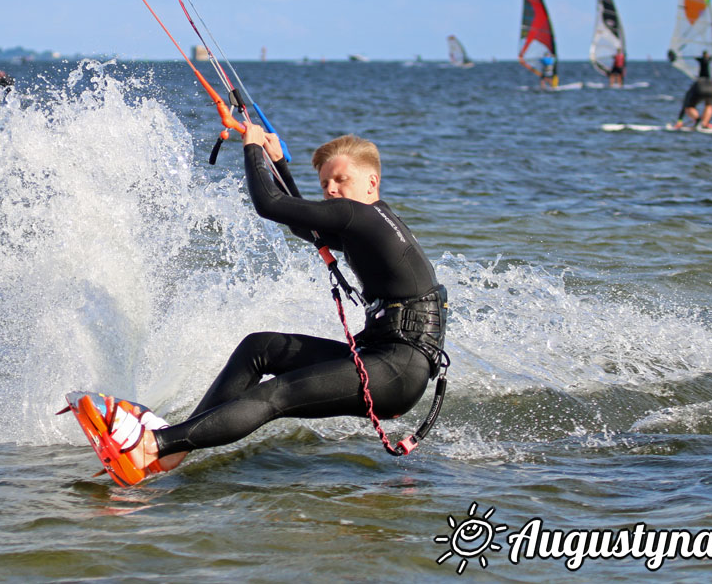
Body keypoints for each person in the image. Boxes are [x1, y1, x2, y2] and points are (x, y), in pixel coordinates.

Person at [75, 123, 448, 483]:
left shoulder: (358, 215)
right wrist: (278, 163)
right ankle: (175, 446)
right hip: (388, 361)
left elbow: (270, 204)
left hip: (396, 368)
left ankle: (153, 445)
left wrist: (252, 147)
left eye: (341, 180)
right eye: (325, 184)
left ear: (371, 182)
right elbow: (306, 226)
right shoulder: (372, 221)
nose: (331, 190)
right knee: (261, 348)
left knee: (277, 393)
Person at [673, 51, 712, 129]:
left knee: (689, 107)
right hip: (711, 86)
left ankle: (698, 121)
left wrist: (680, 120)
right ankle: (704, 123)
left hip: (700, 86)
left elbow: (685, 105)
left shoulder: (693, 87)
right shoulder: (708, 59)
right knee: (709, 105)